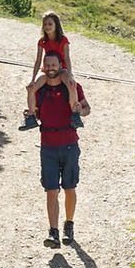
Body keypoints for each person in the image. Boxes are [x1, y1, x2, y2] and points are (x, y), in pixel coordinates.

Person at [32, 52, 90, 248]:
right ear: (43, 67)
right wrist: (30, 113)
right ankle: (53, 231)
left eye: (53, 64)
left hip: (69, 143)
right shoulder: (40, 90)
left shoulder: (72, 86)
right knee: (51, 190)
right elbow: (36, 113)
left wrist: (79, 109)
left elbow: (87, 109)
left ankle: (69, 224)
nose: (50, 68)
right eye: (47, 64)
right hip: (48, 145)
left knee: (69, 188)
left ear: (60, 66)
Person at [21, 11, 82, 131]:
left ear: (56, 25)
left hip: (62, 69)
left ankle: (75, 114)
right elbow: (38, 61)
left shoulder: (63, 40)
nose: (47, 27)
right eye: (45, 24)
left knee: (71, 85)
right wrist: (33, 79)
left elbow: (67, 58)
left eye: (50, 24)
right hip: (47, 69)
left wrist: (69, 75)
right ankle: (31, 116)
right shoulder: (42, 41)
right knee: (31, 88)